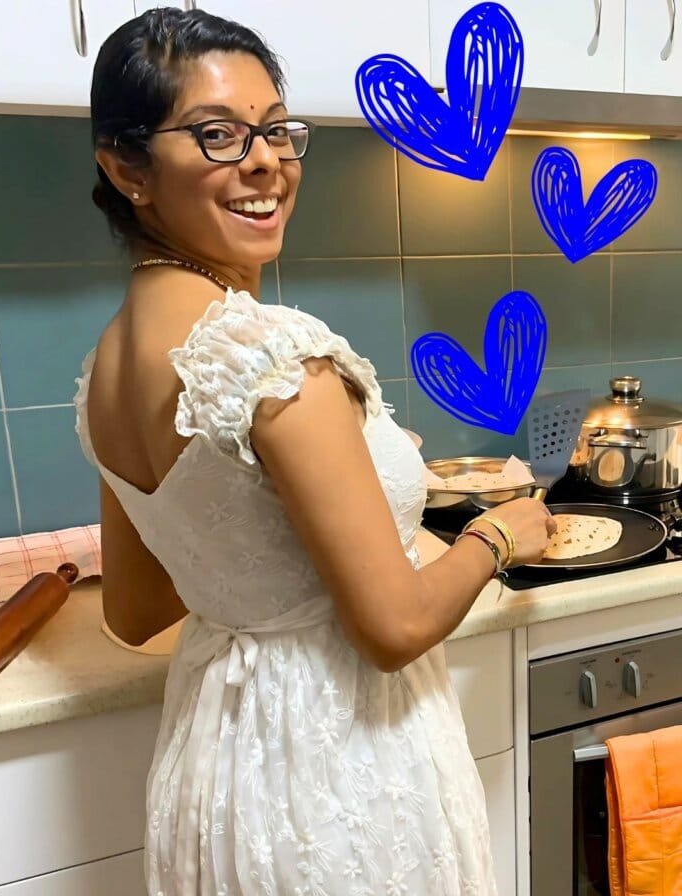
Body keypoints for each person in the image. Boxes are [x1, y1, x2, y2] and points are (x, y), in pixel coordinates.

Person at [76, 7, 556, 895]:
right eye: (216, 135)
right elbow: (394, 628)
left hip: (221, 761)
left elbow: (137, 610)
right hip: (342, 761)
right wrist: (501, 537)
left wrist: (263, 570)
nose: (265, 161)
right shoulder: (272, 356)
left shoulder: (109, 363)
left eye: (274, 130)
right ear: (126, 166)